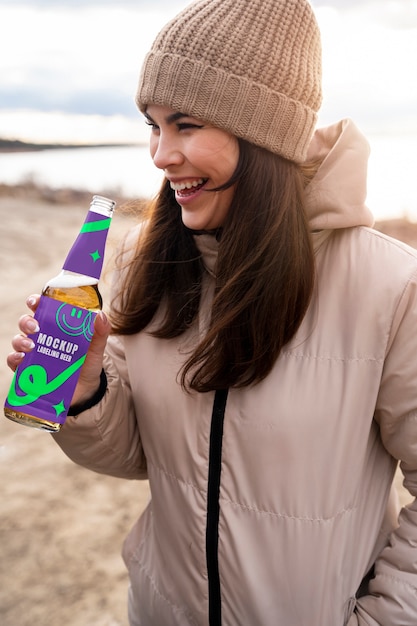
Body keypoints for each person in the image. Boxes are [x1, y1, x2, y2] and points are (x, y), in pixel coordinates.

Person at [7, 0, 417, 624]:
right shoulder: (147, 267)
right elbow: (139, 457)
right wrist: (86, 390)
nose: (159, 154)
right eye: (152, 125)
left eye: (186, 124)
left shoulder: (390, 286)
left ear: (264, 133)